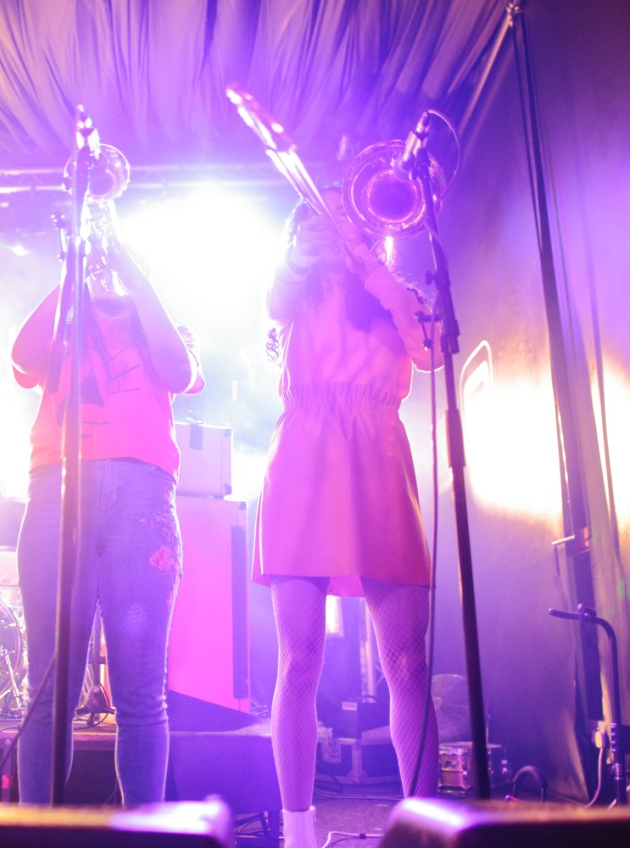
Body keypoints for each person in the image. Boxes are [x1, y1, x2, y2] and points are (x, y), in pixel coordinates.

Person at [253, 187, 440, 847]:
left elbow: (431, 351)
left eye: (347, 212)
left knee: (407, 662)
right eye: (320, 211)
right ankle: (298, 832)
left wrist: (374, 269)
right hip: (304, 459)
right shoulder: (294, 285)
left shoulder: (392, 291)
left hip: (378, 458)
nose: (335, 222)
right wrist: (301, 255)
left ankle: (424, 828)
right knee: (299, 656)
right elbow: (274, 300)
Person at [11, 226, 204, 806]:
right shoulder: (65, 322)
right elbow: (21, 358)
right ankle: (33, 832)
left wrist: (135, 272)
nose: (105, 268)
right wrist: (71, 271)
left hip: (141, 496)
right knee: (49, 691)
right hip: (58, 488)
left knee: (140, 692)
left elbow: (180, 373)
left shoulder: (160, 325)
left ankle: (144, 831)